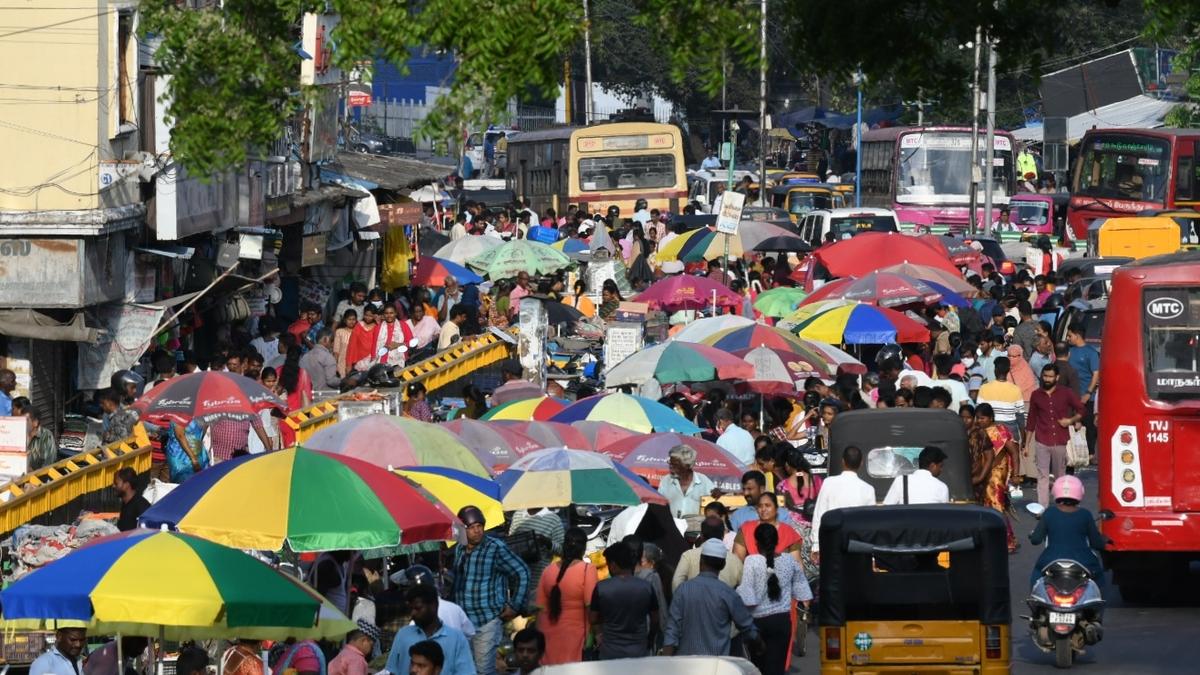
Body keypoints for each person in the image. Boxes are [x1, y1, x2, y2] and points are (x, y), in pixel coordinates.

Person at [451, 505, 529, 675]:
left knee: (483, 671)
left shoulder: (495, 548)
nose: (477, 531)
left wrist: (514, 605)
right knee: (466, 670)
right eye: (471, 527)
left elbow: (522, 572)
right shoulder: (459, 548)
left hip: (487, 621)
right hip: (463, 621)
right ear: (462, 530)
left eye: (479, 526)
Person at [664, 538, 760, 657]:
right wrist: (760, 645)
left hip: (686, 662)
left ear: (700, 561)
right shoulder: (728, 594)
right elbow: (747, 626)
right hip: (716, 663)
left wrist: (666, 660)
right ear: (723, 565)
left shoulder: (682, 590)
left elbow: (672, 630)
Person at [737, 524, 813, 675]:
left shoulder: (751, 561)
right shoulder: (789, 560)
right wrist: (804, 602)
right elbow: (802, 589)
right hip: (781, 622)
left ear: (756, 542)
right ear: (777, 541)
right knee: (777, 668)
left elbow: (747, 597)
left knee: (758, 668)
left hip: (757, 623)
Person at [1028, 475, 1106, 587]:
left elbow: (1035, 540)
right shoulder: (1085, 514)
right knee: (1099, 578)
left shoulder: (1049, 513)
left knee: (1036, 576)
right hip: (1083, 561)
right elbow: (1096, 543)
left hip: (1051, 559)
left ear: (1055, 491)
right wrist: (1104, 541)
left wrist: (1032, 536)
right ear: (1080, 492)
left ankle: (1035, 595)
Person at [532, 527, 595, 665]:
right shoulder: (587, 570)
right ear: (583, 548)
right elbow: (591, 608)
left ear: (564, 546)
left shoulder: (548, 570)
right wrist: (592, 637)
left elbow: (540, 609)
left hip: (547, 636)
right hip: (574, 637)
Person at [1026, 364, 1084, 507]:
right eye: (1045, 376)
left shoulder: (1066, 393)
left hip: (1060, 440)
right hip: (1042, 440)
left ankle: (1060, 505)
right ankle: (1042, 508)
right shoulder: (1036, 395)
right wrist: (1026, 445)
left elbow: (1081, 410)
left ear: (1057, 377)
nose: (1047, 379)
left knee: (1060, 477)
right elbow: (1031, 420)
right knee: (1042, 476)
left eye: (1050, 376)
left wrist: (1070, 420)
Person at [589, 541, 658, 660]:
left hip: (610, 653)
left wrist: (600, 632)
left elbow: (593, 618)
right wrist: (650, 639)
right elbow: (655, 619)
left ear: (613, 565)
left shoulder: (601, 588)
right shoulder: (646, 587)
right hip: (639, 652)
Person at [386, 584, 476, 675]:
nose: (412, 613)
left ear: (434, 606)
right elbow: (393, 671)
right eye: (410, 609)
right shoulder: (403, 635)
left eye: (417, 608)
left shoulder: (456, 638)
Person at [810, 445, 876, 557]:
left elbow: (819, 514)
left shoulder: (828, 483)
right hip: (857, 545)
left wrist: (816, 544)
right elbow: (870, 524)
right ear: (861, 463)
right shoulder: (868, 489)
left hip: (831, 541)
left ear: (843, 461)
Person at [975, 403, 1019, 552]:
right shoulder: (977, 432)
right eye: (977, 418)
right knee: (987, 505)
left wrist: (1016, 474)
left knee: (997, 504)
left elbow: (1014, 452)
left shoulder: (1000, 431)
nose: (979, 421)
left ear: (991, 417)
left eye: (982, 418)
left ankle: (1008, 542)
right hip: (982, 471)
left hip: (997, 472)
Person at [672, 515, 744, 590]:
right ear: (723, 535)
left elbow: (676, 583)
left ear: (701, 536)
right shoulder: (735, 561)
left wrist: (684, 595)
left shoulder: (688, 555)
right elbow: (743, 588)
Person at [732, 492, 802, 564]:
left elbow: (797, 563)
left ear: (776, 508)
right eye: (760, 506)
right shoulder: (746, 529)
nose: (763, 509)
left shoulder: (788, 532)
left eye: (767, 505)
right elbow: (737, 560)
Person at [657, 444, 717, 518]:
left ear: (688, 466)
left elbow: (716, 506)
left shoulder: (704, 482)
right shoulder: (665, 481)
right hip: (671, 524)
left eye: (675, 464)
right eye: (670, 463)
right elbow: (658, 506)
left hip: (696, 524)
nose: (671, 467)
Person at [1066, 323, 1100, 452]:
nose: (1068, 338)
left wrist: (1088, 392)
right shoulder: (1070, 351)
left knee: (1089, 428)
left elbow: (1096, 374)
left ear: (1077, 335)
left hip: (1088, 398)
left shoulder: (1091, 353)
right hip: (1072, 397)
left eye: (1070, 335)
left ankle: (1090, 453)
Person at [882, 446, 950, 505]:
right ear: (933, 466)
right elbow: (944, 514)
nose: (941, 470)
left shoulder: (901, 481)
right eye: (940, 466)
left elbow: (887, 509)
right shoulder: (942, 487)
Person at [730, 470, 795, 531]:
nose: (745, 493)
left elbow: (787, 536)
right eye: (744, 489)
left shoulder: (782, 514)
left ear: (762, 489)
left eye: (749, 489)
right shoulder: (737, 515)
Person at [113, 467, 149, 531]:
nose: (113, 486)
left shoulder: (141, 506)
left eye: (116, 483)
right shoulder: (125, 504)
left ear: (127, 485)